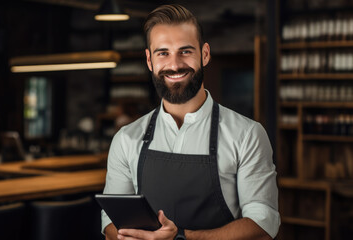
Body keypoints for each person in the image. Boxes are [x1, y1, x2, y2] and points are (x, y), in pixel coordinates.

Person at [101, 4, 280, 240]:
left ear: (204, 54)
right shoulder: (126, 139)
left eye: (185, 51)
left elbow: (262, 226)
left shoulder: (247, 135)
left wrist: (181, 238)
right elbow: (111, 223)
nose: (174, 65)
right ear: (149, 60)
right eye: (163, 53)